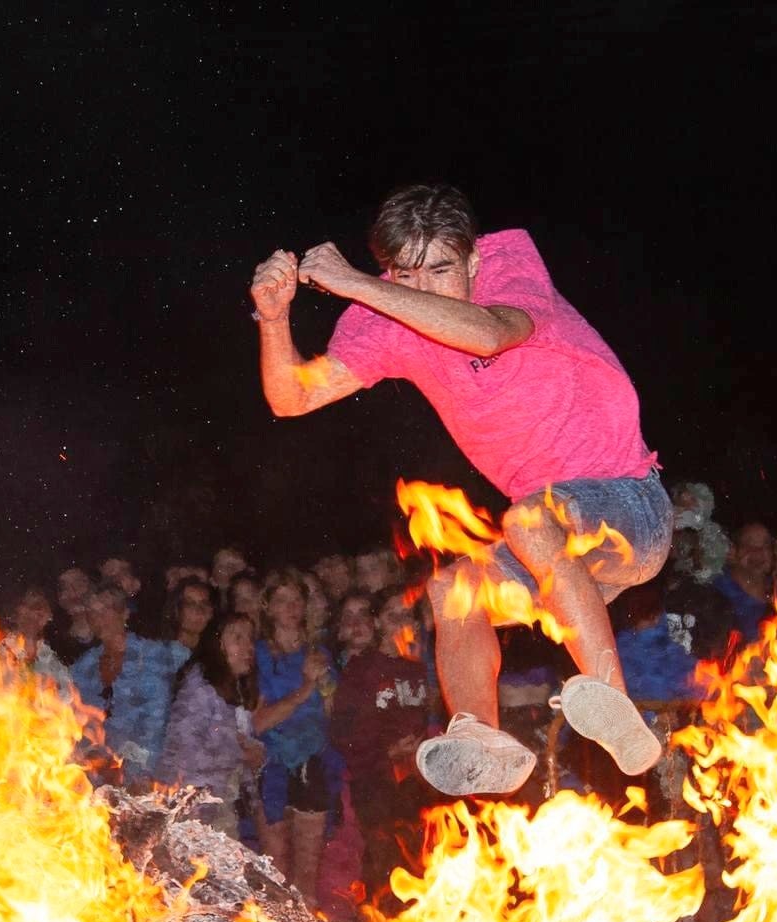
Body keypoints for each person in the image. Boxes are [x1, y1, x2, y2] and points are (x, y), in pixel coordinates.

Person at [251, 183, 671, 792]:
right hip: (557, 558)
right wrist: (273, 315)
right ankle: (480, 737)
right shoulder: (380, 321)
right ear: (389, 269)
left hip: (629, 505)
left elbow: (490, 334)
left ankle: (614, 704)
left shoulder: (508, 263)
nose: (422, 291)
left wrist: (363, 284)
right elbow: (293, 396)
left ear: (472, 261)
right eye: (406, 276)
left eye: (442, 271)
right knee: (455, 589)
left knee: (529, 518)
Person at [330, 588, 435, 909]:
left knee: (419, 860)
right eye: (393, 616)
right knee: (382, 862)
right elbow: (341, 732)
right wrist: (385, 753)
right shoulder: (362, 669)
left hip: (412, 781)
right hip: (374, 781)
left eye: (408, 616)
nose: (403, 623)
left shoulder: (415, 669)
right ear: (378, 623)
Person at [250, 573, 336, 897]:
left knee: (308, 873)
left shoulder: (317, 653)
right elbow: (258, 722)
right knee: (276, 872)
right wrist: (306, 688)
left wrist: (325, 685)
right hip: (269, 763)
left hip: (311, 762)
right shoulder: (257, 655)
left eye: (297, 599)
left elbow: (330, 714)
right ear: (268, 607)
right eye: (282, 599)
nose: (292, 607)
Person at [156, 613, 265, 836]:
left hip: (217, 801)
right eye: (238, 638)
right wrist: (241, 753)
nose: (249, 647)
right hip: (195, 806)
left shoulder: (232, 690)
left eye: (250, 638)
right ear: (218, 644)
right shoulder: (200, 688)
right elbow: (183, 753)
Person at [68, 583, 188, 783]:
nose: (100, 619)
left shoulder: (153, 655)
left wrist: (134, 773)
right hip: (97, 778)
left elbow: (157, 725)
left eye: (107, 610)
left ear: (124, 614)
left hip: (149, 776)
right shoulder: (82, 667)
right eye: (92, 613)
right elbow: (78, 725)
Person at [715, 522, 776, 635]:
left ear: (772, 554)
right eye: (749, 544)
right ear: (734, 551)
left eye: (766, 545)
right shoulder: (715, 589)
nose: (757, 552)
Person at [162, 578, 216, 653]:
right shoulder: (159, 648)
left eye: (204, 604)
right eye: (190, 603)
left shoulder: (215, 651)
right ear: (176, 609)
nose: (198, 611)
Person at [329, 591, 377, 667]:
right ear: (339, 629)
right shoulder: (329, 667)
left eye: (363, 615)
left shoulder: (388, 664)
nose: (356, 624)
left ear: (375, 622)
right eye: (348, 617)